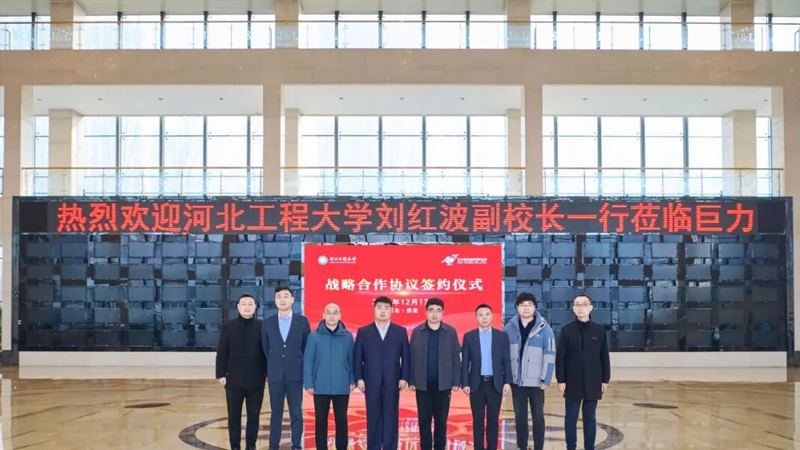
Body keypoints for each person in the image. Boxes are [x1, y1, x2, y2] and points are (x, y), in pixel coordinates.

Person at [353, 296, 410, 450]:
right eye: (379, 307)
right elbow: (358, 357)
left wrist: (404, 377)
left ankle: (390, 446)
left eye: (386, 308)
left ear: (391, 310)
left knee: (391, 415)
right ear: (374, 310)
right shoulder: (364, 331)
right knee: (373, 415)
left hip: (393, 381)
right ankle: (374, 446)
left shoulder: (400, 331)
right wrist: (359, 378)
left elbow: (406, 356)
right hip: (370, 381)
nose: (383, 311)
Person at [556, 294, 611, 450]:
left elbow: (604, 356)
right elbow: (561, 357)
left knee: (590, 418)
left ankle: (589, 446)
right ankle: (571, 446)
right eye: (577, 304)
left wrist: (605, 379)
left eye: (584, 304)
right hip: (572, 382)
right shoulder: (567, 330)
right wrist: (561, 379)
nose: (581, 307)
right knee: (571, 417)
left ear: (590, 308)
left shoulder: (599, 330)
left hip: (593, 381)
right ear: (573, 308)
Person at [504, 292, 556, 450]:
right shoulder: (509, 328)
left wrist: (546, 379)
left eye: (529, 305)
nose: (526, 308)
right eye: (522, 305)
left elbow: (550, 355)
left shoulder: (545, 329)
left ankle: (539, 446)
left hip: (537, 383)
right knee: (520, 417)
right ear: (517, 307)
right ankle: (522, 445)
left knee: (538, 417)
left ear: (535, 307)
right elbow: (504, 357)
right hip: (517, 383)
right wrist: (507, 379)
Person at [261, 286, 311, 450]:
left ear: (292, 299)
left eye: (286, 296)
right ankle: (273, 445)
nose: (282, 300)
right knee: (276, 412)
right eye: (279, 296)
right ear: (275, 300)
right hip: (275, 374)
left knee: (296, 413)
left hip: (295, 374)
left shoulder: (302, 321)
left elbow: (306, 348)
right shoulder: (267, 322)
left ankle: (296, 445)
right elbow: (266, 348)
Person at [409, 298, 461, 450]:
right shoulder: (417, 332)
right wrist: (411, 380)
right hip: (422, 384)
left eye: (438, 311)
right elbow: (411, 358)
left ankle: (440, 447)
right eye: (431, 310)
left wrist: (456, 381)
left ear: (442, 313)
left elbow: (456, 358)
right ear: (426, 312)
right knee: (424, 421)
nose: (434, 314)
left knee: (441, 421)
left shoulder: (450, 332)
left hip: (443, 384)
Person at [216, 294, 267, 450]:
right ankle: (235, 446)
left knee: (254, 416)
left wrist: (267, 374)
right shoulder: (228, 326)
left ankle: (251, 445)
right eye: (243, 304)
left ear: (255, 307)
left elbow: (267, 352)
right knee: (234, 417)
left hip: (256, 380)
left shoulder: (262, 326)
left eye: (250, 304)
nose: (247, 307)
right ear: (238, 307)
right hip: (234, 380)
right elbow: (222, 352)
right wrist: (221, 374)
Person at [304, 303, 355, 450]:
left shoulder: (347, 336)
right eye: (328, 312)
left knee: (342, 420)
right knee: (320, 421)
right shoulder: (314, 336)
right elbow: (308, 360)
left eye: (335, 312)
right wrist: (309, 383)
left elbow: (352, 360)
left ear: (340, 316)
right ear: (323, 315)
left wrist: (352, 379)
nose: (331, 316)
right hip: (320, 385)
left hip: (342, 384)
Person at [461, 304, 512, 450]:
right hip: (476, 384)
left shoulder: (501, 336)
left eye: (487, 314)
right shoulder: (469, 336)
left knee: (493, 421)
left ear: (492, 316)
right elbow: (465, 363)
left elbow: (506, 361)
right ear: (476, 317)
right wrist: (465, 383)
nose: (484, 317)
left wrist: (507, 382)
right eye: (481, 315)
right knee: (477, 420)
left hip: (495, 384)